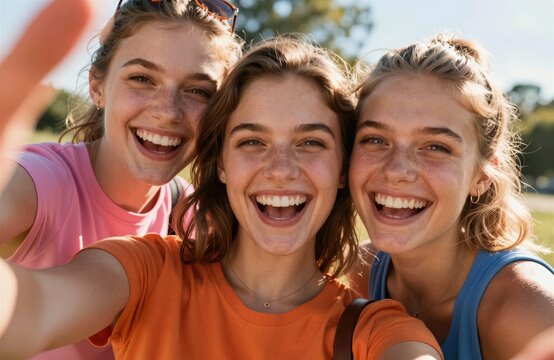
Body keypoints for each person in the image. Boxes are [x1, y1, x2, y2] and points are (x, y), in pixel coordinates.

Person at [0, 37, 444, 359]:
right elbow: (30, 312)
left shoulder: (376, 331)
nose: (281, 169)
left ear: (343, 168)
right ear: (222, 164)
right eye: (252, 141)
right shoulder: (146, 271)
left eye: (311, 143)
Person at [0, 0, 242, 358]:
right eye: (142, 79)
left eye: (197, 91)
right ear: (98, 85)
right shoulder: (45, 180)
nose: (167, 111)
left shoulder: (193, 218)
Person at [347, 33, 554, 359]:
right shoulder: (357, 274)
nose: (397, 170)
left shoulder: (528, 311)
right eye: (375, 139)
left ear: (482, 175)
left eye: (436, 147)